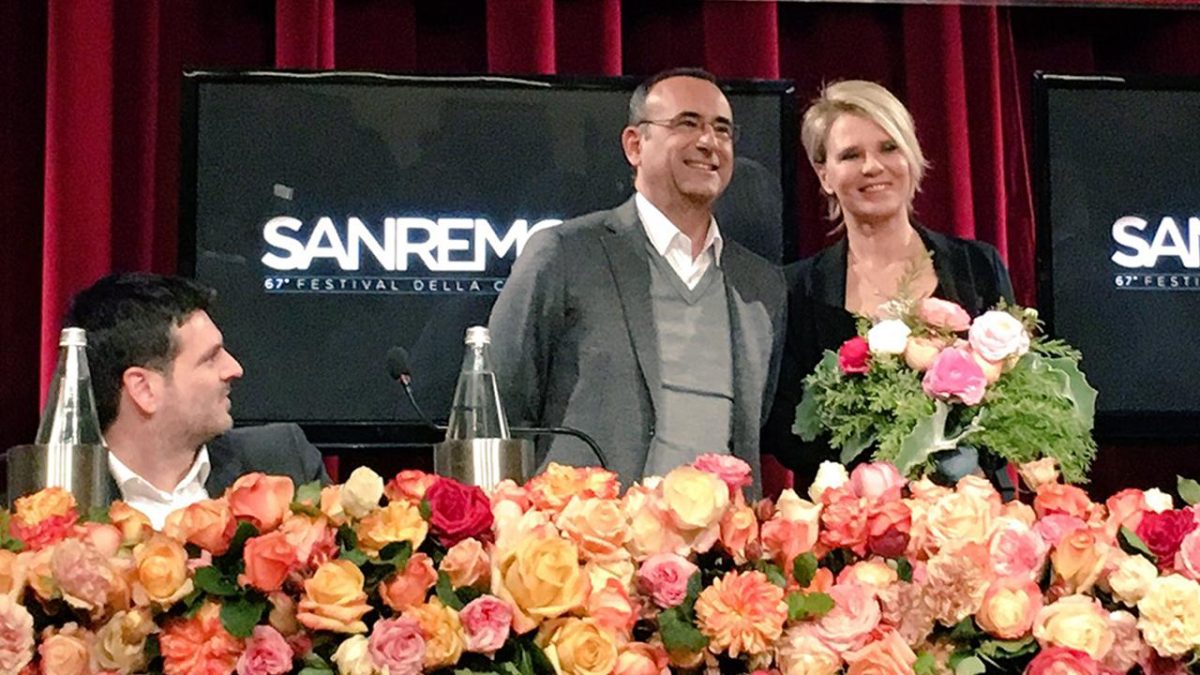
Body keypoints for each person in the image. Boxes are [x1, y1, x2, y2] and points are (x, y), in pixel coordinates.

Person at [488, 67, 787, 494]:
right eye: (687, 124)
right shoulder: (565, 253)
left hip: (719, 535)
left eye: (722, 130)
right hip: (589, 531)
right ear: (634, 145)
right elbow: (498, 411)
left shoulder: (761, 286)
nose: (709, 142)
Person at [763, 80, 1014, 482]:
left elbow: (1016, 395)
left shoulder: (977, 266)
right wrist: (878, 475)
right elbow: (787, 428)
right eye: (851, 155)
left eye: (888, 147)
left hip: (971, 503)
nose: (872, 167)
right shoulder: (794, 290)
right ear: (824, 174)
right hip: (850, 509)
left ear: (911, 157)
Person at [66, 273, 329, 527]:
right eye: (210, 358)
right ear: (144, 388)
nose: (235, 369)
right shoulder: (62, 502)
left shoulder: (283, 462)